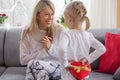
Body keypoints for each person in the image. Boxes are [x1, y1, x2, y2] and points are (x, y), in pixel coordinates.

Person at [58, 1, 106, 80]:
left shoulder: (66, 34)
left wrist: (65, 64)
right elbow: (102, 49)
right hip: (84, 75)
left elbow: (61, 49)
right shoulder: (88, 35)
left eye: (64, 18)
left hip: (69, 76)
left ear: (68, 17)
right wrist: (87, 59)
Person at [20, 0, 65, 80]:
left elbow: (66, 55)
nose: (50, 18)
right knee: (36, 68)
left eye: (52, 14)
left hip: (57, 69)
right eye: (47, 14)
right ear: (37, 15)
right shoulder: (28, 32)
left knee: (32, 65)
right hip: (37, 69)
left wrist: (50, 47)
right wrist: (44, 52)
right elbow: (23, 60)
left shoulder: (60, 30)